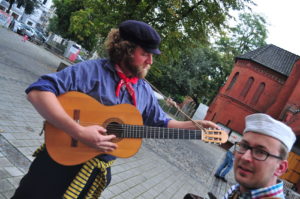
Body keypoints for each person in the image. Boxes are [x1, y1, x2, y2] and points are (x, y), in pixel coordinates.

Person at [12, 20, 219, 199]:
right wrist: (79, 131)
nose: (150, 61)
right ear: (126, 49)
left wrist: (193, 126)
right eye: (145, 53)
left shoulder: (143, 90)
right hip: (58, 162)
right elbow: (38, 91)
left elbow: (161, 122)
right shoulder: (92, 71)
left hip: (94, 171)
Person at [224, 113, 296, 199]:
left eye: (260, 152)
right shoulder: (236, 190)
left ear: (280, 168)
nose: (245, 157)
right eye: (244, 146)